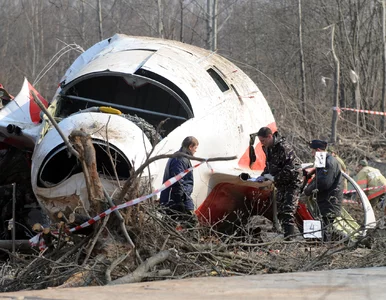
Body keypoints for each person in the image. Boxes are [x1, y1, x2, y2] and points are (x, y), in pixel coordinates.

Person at [255, 127, 302, 240]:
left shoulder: (283, 147)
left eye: (263, 141)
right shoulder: (268, 148)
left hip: (292, 182)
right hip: (280, 183)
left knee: (288, 210)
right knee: (281, 211)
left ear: (270, 136)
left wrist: (275, 177)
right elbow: (270, 165)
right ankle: (287, 235)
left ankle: (290, 238)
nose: (262, 143)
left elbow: (291, 169)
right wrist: (263, 175)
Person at [304, 140, 343, 241]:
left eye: (312, 152)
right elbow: (319, 177)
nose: (312, 155)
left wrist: (308, 190)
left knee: (325, 228)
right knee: (322, 227)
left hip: (329, 201)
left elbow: (323, 183)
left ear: (318, 150)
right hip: (324, 200)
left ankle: (324, 248)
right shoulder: (324, 160)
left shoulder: (329, 162)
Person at [160, 136, 199, 226]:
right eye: (195, 148)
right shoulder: (180, 159)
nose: (196, 151)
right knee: (191, 224)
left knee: (170, 224)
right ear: (190, 147)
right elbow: (177, 181)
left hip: (179, 197)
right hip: (177, 199)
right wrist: (179, 201)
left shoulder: (180, 157)